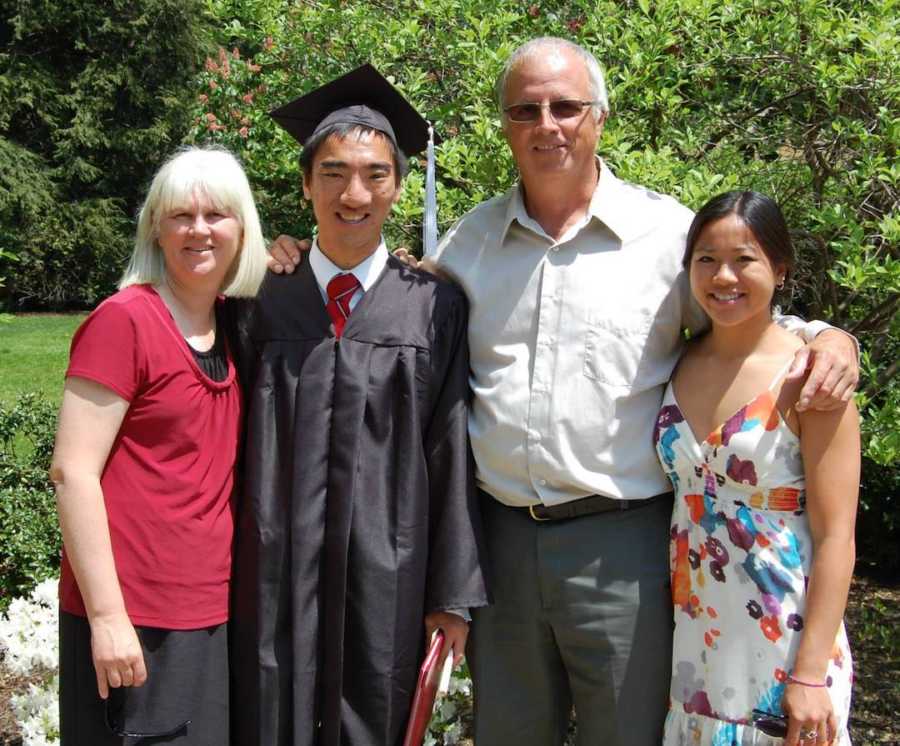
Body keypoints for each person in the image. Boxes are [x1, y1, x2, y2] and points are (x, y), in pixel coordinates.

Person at [268, 39, 858, 745]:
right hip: (504, 548)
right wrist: (298, 260)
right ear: (506, 125)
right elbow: (384, 291)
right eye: (525, 110)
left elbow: (739, 308)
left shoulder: (664, 236)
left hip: (623, 549)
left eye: (566, 107)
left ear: (599, 118)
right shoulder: (472, 242)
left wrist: (825, 335)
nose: (547, 125)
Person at [228, 64, 489, 746]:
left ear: (398, 186)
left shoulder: (433, 305)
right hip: (273, 561)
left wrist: (450, 591)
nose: (354, 193)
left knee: (376, 705)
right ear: (306, 183)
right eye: (334, 173)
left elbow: (450, 442)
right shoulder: (258, 296)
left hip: (387, 567)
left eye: (375, 174)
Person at [50, 146, 268, 745]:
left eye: (217, 215)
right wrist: (106, 618)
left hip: (207, 613)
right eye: (181, 215)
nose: (199, 230)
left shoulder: (235, 324)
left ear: (242, 226)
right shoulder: (125, 322)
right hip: (133, 620)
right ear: (156, 226)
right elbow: (73, 472)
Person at [654, 191, 856, 746]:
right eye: (706, 260)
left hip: (785, 642)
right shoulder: (678, 360)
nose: (724, 277)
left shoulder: (813, 377)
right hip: (697, 647)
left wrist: (810, 673)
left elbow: (837, 536)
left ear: (780, 269)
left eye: (744, 259)